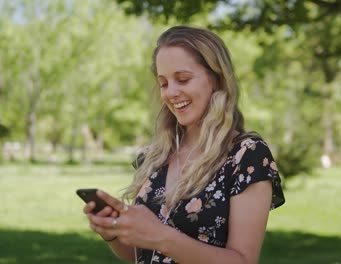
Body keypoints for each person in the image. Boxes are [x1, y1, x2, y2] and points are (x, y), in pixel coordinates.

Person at [83, 25, 285, 264]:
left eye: (183, 79)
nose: (171, 92)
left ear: (217, 79)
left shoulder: (246, 155)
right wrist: (114, 235)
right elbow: (139, 253)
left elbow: (243, 260)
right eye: (164, 83)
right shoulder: (155, 155)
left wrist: (160, 236)